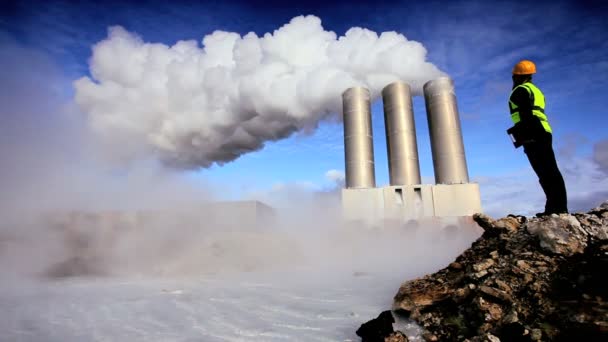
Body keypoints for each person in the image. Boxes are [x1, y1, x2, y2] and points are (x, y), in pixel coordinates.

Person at [509, 60, 568, 217]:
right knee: (549, 171)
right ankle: (555, 208)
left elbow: (526, 113)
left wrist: (527, 136)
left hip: (534, 132)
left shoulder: (520, 90)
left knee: (545, 172)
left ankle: (558, 209)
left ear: (516, 76)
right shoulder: (535, 90)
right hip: (543, 130)